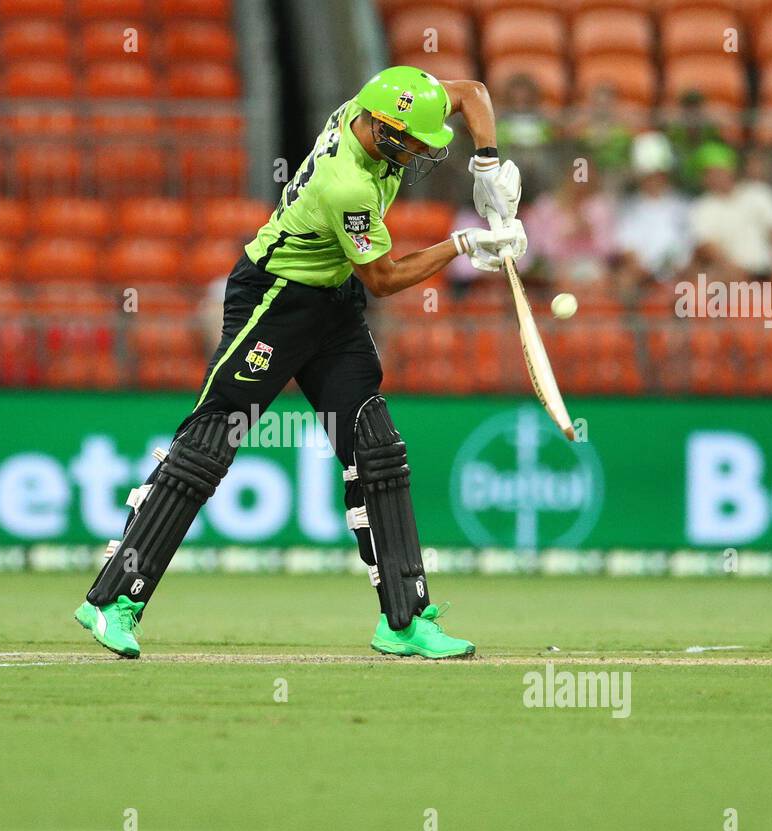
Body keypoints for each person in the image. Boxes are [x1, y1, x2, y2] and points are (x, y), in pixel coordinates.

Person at [73, 66, 525, 660]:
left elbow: (468, 95)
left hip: (332, 302)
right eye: (413, 143)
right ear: (384, 132)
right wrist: (464, 246)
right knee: (211, 442)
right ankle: (112, 600)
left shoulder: (382, 110)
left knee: (375, 447)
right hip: (276, 299)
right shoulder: (347, 185)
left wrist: (487, 163)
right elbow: (385, 279)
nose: (420, 152)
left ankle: (404, 619)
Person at [688, 142, 772, 282]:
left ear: (732, 170)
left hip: (769, 271)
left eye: (721, 171)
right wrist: (733, 269)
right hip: (729, 274)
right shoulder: (702, 207)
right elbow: (706, 246)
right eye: (711, 173)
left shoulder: (759, 193)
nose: (717, 177)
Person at [615, 132, 693, 292]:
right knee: (624, 282)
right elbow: (627, 249)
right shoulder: (629, 208)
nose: (654, 180)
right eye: (649, 175)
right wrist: (646, 273)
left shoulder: (684, 205)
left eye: (658, 174)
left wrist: (678, 269)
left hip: (681, 276)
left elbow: (690, 245)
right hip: (643, 277)